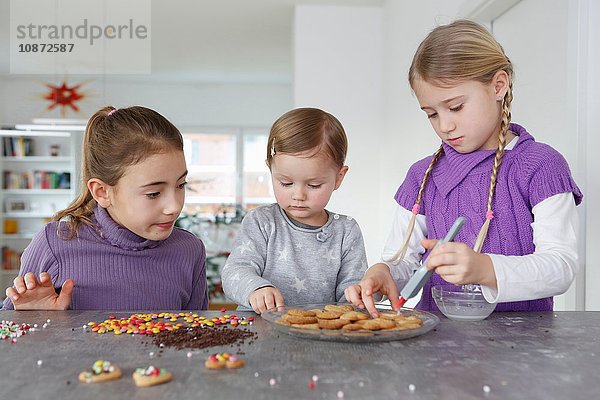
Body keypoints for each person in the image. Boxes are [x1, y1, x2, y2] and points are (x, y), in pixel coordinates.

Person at [345, 19, 583, 317]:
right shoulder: (421, 177)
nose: (445, 126)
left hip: (523, 349)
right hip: (436, 350)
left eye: (456, 107)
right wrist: (385, 273)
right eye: (431, 114)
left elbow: (560, 267)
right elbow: (407, 263)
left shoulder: (542, 166)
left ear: (499, 85)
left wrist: (485, 269)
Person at [3, 106, 208, 310]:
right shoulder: (53, 244)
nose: (174, 207)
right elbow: (10, 335)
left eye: (181, 185)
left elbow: (199, 338)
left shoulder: (190, 250)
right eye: (153, 193)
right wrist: (33, 321)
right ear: (102, 192)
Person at [221, 107, 368, 314]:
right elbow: (234, 271)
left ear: (339, 177)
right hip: (259, 333)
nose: (298, 195)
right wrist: (257, 288)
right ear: (270, 169)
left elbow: (352, 290)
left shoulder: (346, 230)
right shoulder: (261, 222)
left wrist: (359, 295)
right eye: (286, 183)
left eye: (314, 185)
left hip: (319, 335)